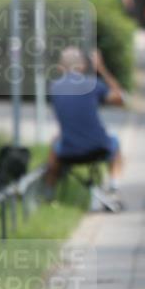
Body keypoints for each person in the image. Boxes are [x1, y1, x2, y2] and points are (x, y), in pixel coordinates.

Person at [45, 47, 124, 195]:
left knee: (53, 146)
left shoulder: (54, 87)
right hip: (99, 147)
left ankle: (48, 192)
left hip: (68, 151)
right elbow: (121, 99)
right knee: (115, 141)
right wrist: (101, 69)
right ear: (83, 66)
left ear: (60, 68)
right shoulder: (93, 84)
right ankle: (114, 183)